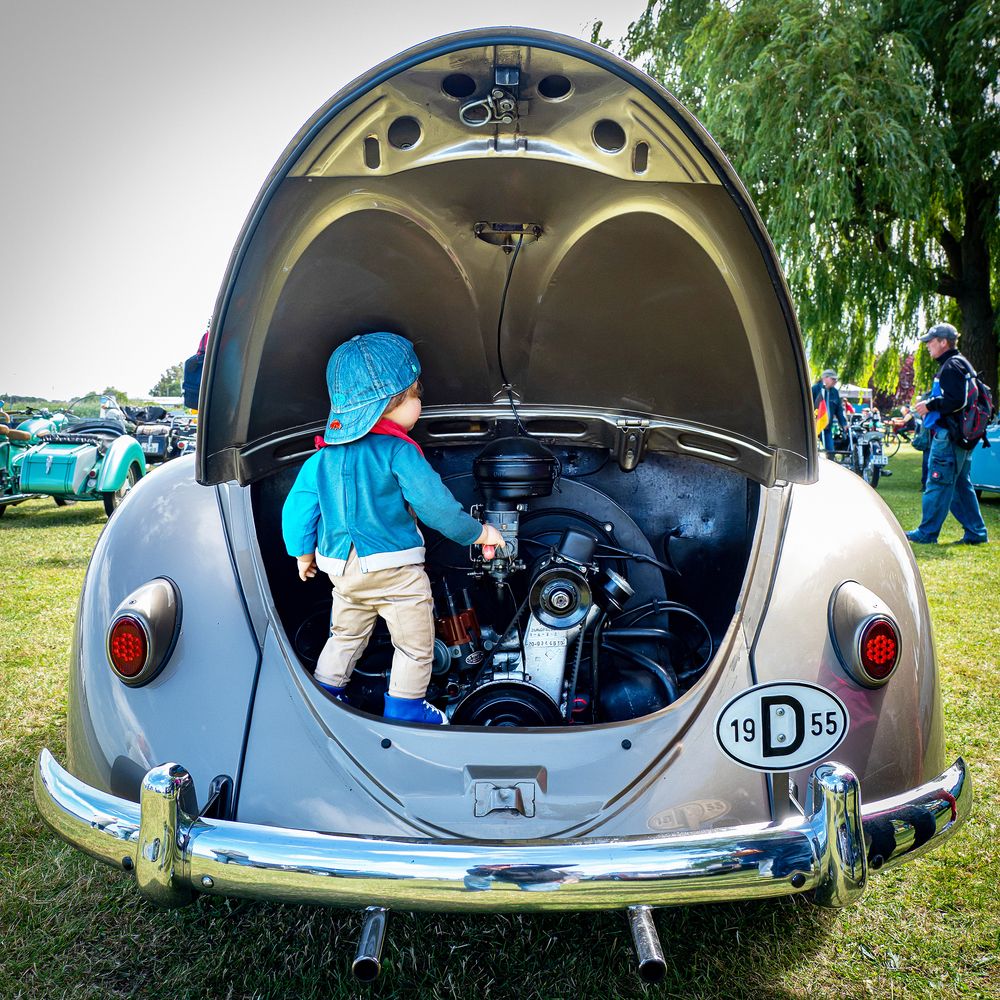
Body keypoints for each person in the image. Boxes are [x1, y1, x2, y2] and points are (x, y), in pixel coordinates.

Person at [282, 332, 504, 725]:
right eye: (416, 394)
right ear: (390, 403)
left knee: (345, 637)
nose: (421, 403)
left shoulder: (323, 458)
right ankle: (405, 706)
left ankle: (325, 695)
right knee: (415, 645)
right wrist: (480, 533)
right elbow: (436, 507)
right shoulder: (400, 451)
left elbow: (299, 507)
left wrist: (302, 553)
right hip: (395, 572)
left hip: (343, 573)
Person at [906, 322, 988, 545]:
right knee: (961, 486)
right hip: (961, 436)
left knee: (938, 483)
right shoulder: (961, 363)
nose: (927, 347)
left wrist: (930, 406)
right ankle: (976, 532)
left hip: (949, 436)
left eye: (931, 342)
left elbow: (956, 400)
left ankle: (926, 533)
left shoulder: (951, 366)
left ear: (944, 342)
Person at [811, 369, 847, 453]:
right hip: (813, 427)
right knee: (812, 452)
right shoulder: (814, 389)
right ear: (825, 378)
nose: (835, 381)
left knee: (831, 452)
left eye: (836, 379)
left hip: (827, 428)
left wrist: (844, 424)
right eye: (833, 379)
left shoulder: (835, 392)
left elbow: (839, 410)